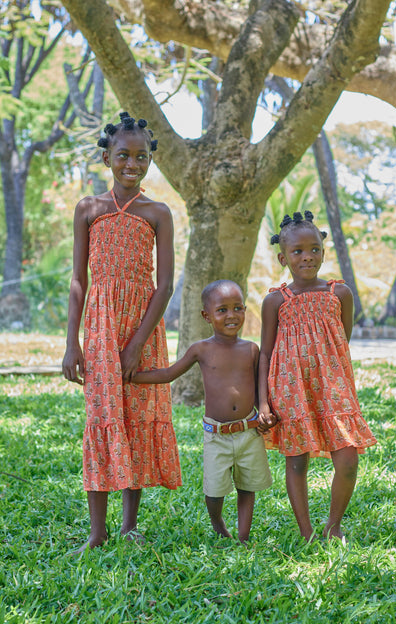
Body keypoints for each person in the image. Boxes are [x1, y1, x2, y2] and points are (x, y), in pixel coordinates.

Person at [62, 111, 181, 552]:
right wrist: (72, 341)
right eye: (123, 155)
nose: (133, 163)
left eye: (142, 156)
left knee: (137, 420)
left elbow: (165, 284)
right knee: (102, 417)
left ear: (150, 160)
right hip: (99, 327)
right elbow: (79, 280)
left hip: (143, 326)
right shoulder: (88, 209)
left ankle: (130, 526)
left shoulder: (158, 213)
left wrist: (136, 345)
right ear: (108, 157)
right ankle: (98, 532)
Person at [258, 211, 377, 542]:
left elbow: (343, 338)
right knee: (297, 464)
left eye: (314, 249)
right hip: (291, 392)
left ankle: (333, 525)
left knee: (348, 459)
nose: (307, 256)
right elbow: (265, 352)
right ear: (284, 257)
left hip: (334, 391)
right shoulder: (275, 301)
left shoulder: (340, 294)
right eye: (297, 251)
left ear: (324, 251)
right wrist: (263, 401)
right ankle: (307, 531)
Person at [132, 280, 275, 543]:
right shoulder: (202, 349)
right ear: (206, 316)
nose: (231, 315)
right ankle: (217, 521)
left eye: (238, 308)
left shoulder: (250, 349)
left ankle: (243, 536)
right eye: (222, 310)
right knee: (214, 489)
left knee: (247, 486)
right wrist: (130, 377)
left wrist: (265, 410)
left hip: (248, 430)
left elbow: (259, 387)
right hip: (217, 434)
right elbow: (168, 374)